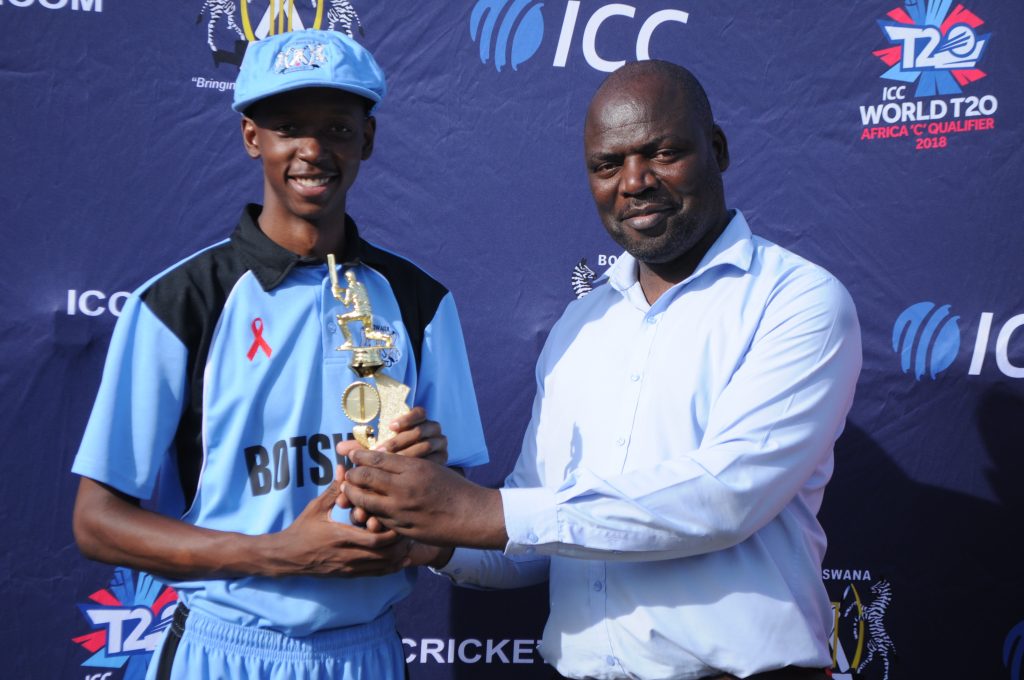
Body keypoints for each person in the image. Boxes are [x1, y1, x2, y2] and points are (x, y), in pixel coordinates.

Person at [338, 60, 862, 680]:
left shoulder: (797, 300)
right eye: (607, 165)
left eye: (661, 153)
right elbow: (538, 539)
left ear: (716, 150)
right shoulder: (578, 329)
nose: (634, 182)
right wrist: (439, 537)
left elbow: (726, 497)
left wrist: (486, 513)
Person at [70, 29, 488, 680]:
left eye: (337, 128)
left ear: (368, 139)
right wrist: (280, 553)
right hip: (222, 650)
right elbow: (96, 523)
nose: (313, 149)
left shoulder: (419, 301)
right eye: (289, 126)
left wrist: (415, 522)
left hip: (364, 652)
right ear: (251, 137)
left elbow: (458, 514)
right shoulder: (181, 302)